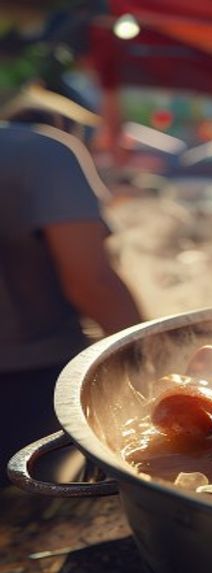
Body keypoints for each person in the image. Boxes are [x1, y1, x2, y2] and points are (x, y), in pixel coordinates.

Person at [0, 84, 143, 474]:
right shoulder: (47, 151)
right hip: (27, 383)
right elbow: (90, 283)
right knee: (44, 513)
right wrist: (148, 363)